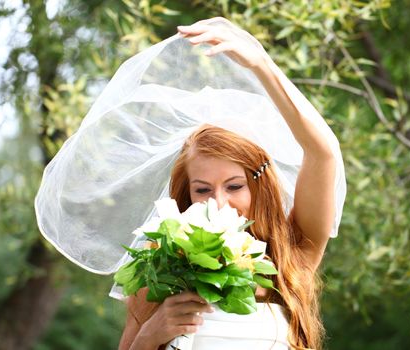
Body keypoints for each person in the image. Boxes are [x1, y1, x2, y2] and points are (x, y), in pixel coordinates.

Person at [118, 18, 339, 350]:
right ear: (187, 197)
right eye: (203, 190)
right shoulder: (159, 273)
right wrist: (149, 335)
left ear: (258, 186)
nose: (218, 203)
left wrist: (261, 65)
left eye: (234, 186)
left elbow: (323, 153)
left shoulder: (294, 257)